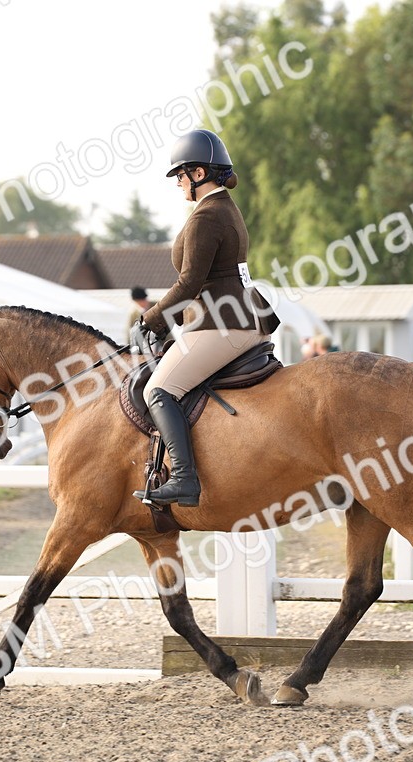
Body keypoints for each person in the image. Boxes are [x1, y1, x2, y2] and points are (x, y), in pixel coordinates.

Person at [131, 129, 280, 508]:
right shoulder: (224, 208)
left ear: (199, 174)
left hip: (223, 322)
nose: (178, 182)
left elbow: (189, 282)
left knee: (157, 390)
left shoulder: (207, 216)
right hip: (237, 316)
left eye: (181, 174)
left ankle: (183, 478)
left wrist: (150, 320)